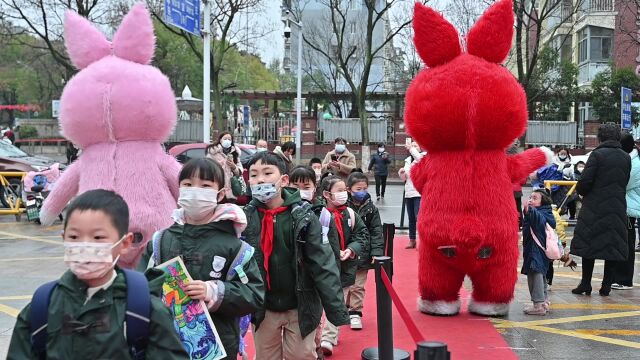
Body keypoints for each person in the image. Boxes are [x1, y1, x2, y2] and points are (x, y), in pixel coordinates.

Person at [8, 189, 188, 359]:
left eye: (98, 238)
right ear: (63, 238)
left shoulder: (146, 310)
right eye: (74, 237)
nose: (84, 245)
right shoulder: (42, 306)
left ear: (125, 243)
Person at [138, 158, 264, 358]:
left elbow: (254, 294)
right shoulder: (161, 240)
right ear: (179, 190)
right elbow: (142, 284)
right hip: (167, 343)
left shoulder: (236, 247)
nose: (195, 190)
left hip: (217, 346)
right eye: (188, 185)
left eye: (205, 185)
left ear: (220, 194)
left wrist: (212, 291)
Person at [242, 152, 349, 360]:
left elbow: (322, 262)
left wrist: (335, 308)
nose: (260, 179)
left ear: (283, 180)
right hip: (264, 307)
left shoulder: (304, 215)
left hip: (300, 305)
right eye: (253, 175)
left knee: (301, 355)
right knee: (265, 356)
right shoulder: (245, 217)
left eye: (267, 173)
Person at [571, 123, 631, 296]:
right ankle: (606, 285)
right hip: (617, 206)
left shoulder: (597, 155)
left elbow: (585, 182)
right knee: (612, 245)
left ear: (601, 137)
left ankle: (585, 284)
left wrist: (581, 191)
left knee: (589, 244)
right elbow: (624, 181)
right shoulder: (625, 157)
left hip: (594, 206)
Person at [317, 175, 369, 356]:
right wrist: (331, 253)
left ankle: (328, 338)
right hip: (322, 268)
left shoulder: (351, 214)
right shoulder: (319, 215)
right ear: (326, 194)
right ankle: (316, 336)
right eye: (338, 191)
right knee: (317, 304)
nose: (343, 194)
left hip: (345, 268)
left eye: (344, 190)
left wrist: (351, 249)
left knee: (337, 302)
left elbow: (362, 234)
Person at [345, 171, 383, 331]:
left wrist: (377, 252)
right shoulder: (343, 206)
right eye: (358, 189)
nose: (362, 192)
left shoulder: (371, 209)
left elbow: (376, 231)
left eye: (365, 188)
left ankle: (355, 313)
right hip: (346, 253)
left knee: (358, 285)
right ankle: (346, 307)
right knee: (345, 285)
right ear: (349, 189)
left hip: (364, 254)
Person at [521, 189, 555, 316]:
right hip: (537, 250)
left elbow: (538, 219)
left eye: (535, 198)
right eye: (530, 197)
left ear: (543, 202)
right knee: (541, 276)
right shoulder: (545, 212)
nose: (530, 200)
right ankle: (544, 301)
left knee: (535, 276)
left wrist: (528, 209)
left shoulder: (541, 213)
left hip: (535, 250)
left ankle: (538, 305)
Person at [612, 133, 638, 290]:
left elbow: (624, 183)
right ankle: (620, 277)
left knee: (626, 242)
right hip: (626, 206)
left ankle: (624, 279)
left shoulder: (633, 162)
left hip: (628, 207)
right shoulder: (630, 159)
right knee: (623, 241)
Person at [398, 142, 425, 249]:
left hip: (419, 192)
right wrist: (402, 173)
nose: (413, 147)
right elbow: (404, 178)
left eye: (415, 146)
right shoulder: (408, 160)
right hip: (409, 192)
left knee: (419, 217)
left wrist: (411, 149)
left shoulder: (423, 156)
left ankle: (422, 241)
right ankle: (412, 239)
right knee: (411, 218)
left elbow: (420, 159)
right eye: (412, 145)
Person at [206, 132, 243, 203]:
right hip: (217, 188)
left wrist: (233, 166)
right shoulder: (213, 152)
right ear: (220, 140)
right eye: (225, 138)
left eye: (229, 139)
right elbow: (207, 167)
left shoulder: (235, 153)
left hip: (231, 190)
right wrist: (219, 166)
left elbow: (239, 170)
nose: (227, 140)